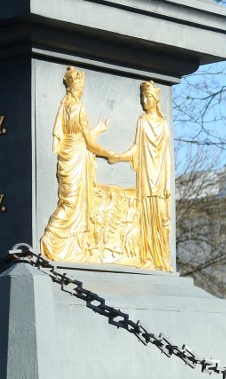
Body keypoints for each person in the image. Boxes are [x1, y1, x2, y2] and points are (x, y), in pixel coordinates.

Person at [41, 66, 115, 262]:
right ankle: (50, 237)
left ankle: (69, 247)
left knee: (69, 201)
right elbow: (88, 142)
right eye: (82, 87)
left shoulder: (63, 107)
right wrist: (109, 153)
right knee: (71, 202)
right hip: (76, 160)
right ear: (75, 88)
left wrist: (98, 129)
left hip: (69, 157)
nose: (83, 91)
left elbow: (79, 136)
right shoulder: (79, 108)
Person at [109, 80, 173, 271]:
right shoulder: (142, 121)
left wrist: (168, 182)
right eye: (142, 97)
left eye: (148, 97)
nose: (145, 101)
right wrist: (119, 157)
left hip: (160, 180)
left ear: (156, 99)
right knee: (145, 219)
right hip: (146, 179)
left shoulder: (163, 124)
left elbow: (167, 155)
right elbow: (137, 148)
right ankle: (147, 258)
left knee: (163, 219)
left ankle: (162, 259)